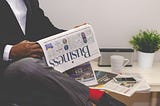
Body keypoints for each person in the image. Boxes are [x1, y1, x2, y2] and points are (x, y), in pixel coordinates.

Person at [0, 0, 126, 106]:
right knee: (28, 65)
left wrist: (72, 35)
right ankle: (98, 97)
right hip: (7, 69)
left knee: (61, 92)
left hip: (37, 69)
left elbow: (47, 30)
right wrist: (11, 51)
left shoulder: (30, 1)